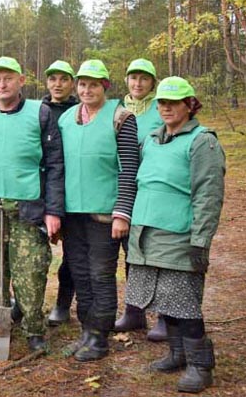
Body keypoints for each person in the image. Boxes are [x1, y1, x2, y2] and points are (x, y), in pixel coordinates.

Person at [125, 77, 225, 393]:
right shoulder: (152, 140)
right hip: (146, 234)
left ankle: (201, 365)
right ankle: (177, 354)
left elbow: (208, 195)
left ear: (189, 105)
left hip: (180, 235)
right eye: (162, 103)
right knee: (162, 299)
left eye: (174, 102)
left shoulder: (202, 141)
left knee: (184, 301)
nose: (166, 108)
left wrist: (200, 240)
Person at [0, 57, 64, 353]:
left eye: (8, 78)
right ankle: (0, 331)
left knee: (31, 273)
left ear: (21, 80)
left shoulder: (41, 113)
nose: (1, 84)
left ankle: (34, 329)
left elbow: (55, 165)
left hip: (28, 211)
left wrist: (54, 211)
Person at [57, 59, 140, 362]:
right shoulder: (65, 119)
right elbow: (57, 167)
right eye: (82, 84)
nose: (87, 89)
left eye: (94, 84)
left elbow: (130, 168)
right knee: (79, 273)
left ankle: (100, 337)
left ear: (105, 86)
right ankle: (86, 332)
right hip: (73, 214)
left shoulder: (121, 117)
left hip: (105, 215)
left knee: (101, 274)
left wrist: (122, 212)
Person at [115, 57, 168, 341]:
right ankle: (133, 311)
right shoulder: (116, 109)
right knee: (130, 250)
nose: (138, 83)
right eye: (133, 78)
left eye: (144, 79)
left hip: (151, 186)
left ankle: (163, 315)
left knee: (155, 250)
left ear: (152, 82)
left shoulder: (162, 109)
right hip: (123, 186)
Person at [42, 60, 78, 326]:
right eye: (52, 79)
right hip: (42, 189)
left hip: (74, 188)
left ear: (71, 83)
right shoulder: (38, 110)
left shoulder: (80, 111)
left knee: (71, 253)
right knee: (33, 251)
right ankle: (24, 302)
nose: (57, 84)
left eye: (63, 79)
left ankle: (63, 304)